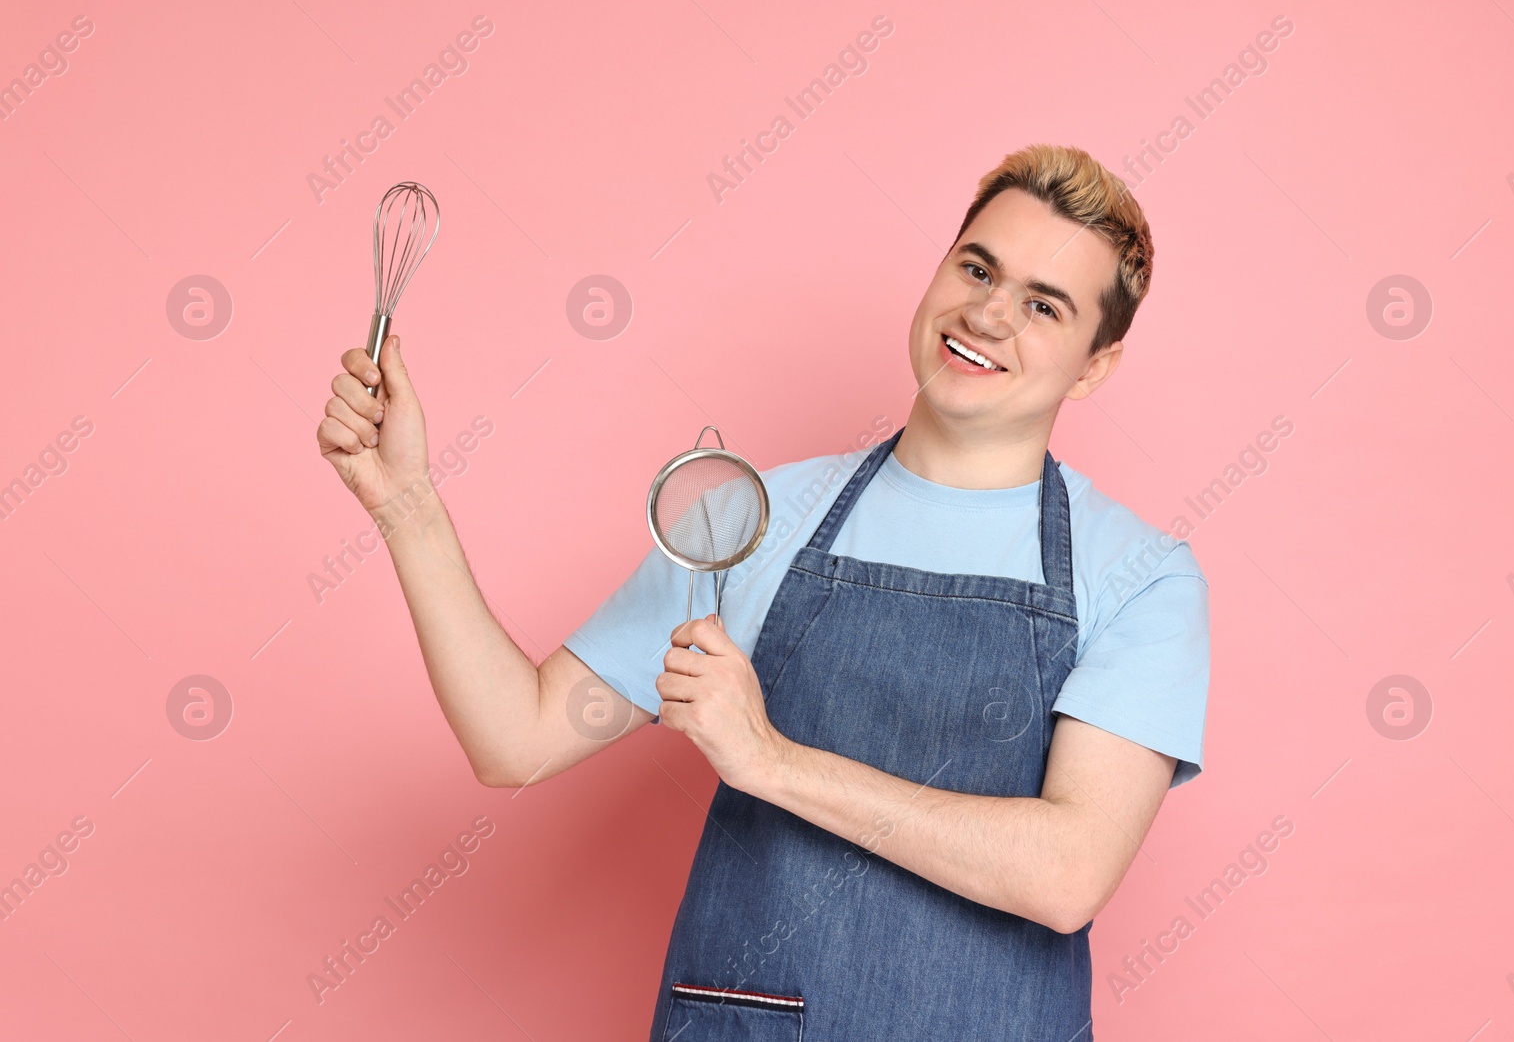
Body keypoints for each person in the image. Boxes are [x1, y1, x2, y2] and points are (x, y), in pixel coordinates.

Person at [316, 143, 1208, 1040]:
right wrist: (405, 504)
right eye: (977, 266)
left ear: (1094, 366)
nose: (987, 312)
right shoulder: (756, 514)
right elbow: (516, 737)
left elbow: (1067, 872)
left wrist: (769, 759)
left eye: (1043, 306)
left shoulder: (1136, 576)